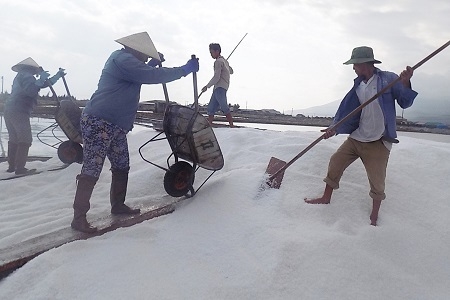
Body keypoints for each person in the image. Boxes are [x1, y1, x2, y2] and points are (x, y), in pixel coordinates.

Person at [71, 32, 199, 233]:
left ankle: (118, 205)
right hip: (99, 122)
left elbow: (143, 72)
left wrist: (151, 65)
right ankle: (78, 218)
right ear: (137, 51)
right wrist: (183, 70)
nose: (147, 59)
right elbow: (150, 76)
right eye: (146, 56)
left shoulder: (128, 61)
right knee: (92, 169)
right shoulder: (121, 59)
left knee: (122, 165)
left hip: (116, 125)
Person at [304, 46, 418, 226]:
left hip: (378, 141)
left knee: (377, 181)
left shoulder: (388, 79)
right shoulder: (358, 85)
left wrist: (404, 83)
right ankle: (326, 198)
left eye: (355, 64)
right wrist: (333, 128)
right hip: (357, 138)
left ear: (364, 64)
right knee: (336, 161)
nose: (353, 68)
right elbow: (346, 111)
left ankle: (374, 216)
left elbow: (405, 102)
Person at [4, 57, 65, 175]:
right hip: (19, 110)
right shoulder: (27, 76)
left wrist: (56, 77)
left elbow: (41, 85)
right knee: (25, 139)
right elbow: (31, 90)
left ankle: (12, 166)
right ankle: (20, 168)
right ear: (32, 69)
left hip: (10, 109)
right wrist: (40, 79)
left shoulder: (21, 76)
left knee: (14, 139)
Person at [201, 43, 234, 127]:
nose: (211, 54)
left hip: (220, 87)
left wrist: (207, 86)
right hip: (219, 87)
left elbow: (216, 77)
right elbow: (231, 71)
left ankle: (231, 124)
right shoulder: (223, 61)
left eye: (211, 52)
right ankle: (210, 124)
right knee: (211, 107)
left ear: (217, 51)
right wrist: (226, 63)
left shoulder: (218, 62)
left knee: (223, 106)